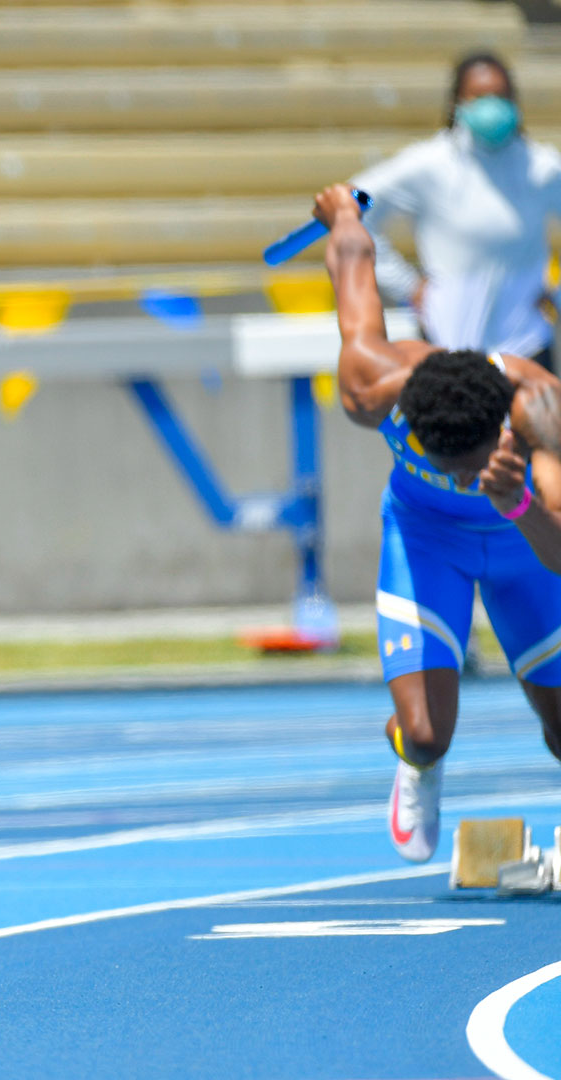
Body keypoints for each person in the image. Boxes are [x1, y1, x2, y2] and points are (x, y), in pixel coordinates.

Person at [319, 182, 561, 865]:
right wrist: (342, 213)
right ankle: (416, 765)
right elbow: (355, 272)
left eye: (474, 466)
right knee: (426, 735)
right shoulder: (374, 389)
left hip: (526, 546)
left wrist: (515, 502)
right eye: (450, 466)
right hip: (426, 543)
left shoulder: (540, 418)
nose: (464, 478)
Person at [352, 52, 561, 369]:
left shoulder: (541, 167)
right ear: (456, 103)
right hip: (446, 345)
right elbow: (353, 208)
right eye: (479, 96)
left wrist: (556, 294)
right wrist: (406, 284)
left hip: (526, 346)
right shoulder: (429, 165)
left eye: (500, 96)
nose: (491, 106)